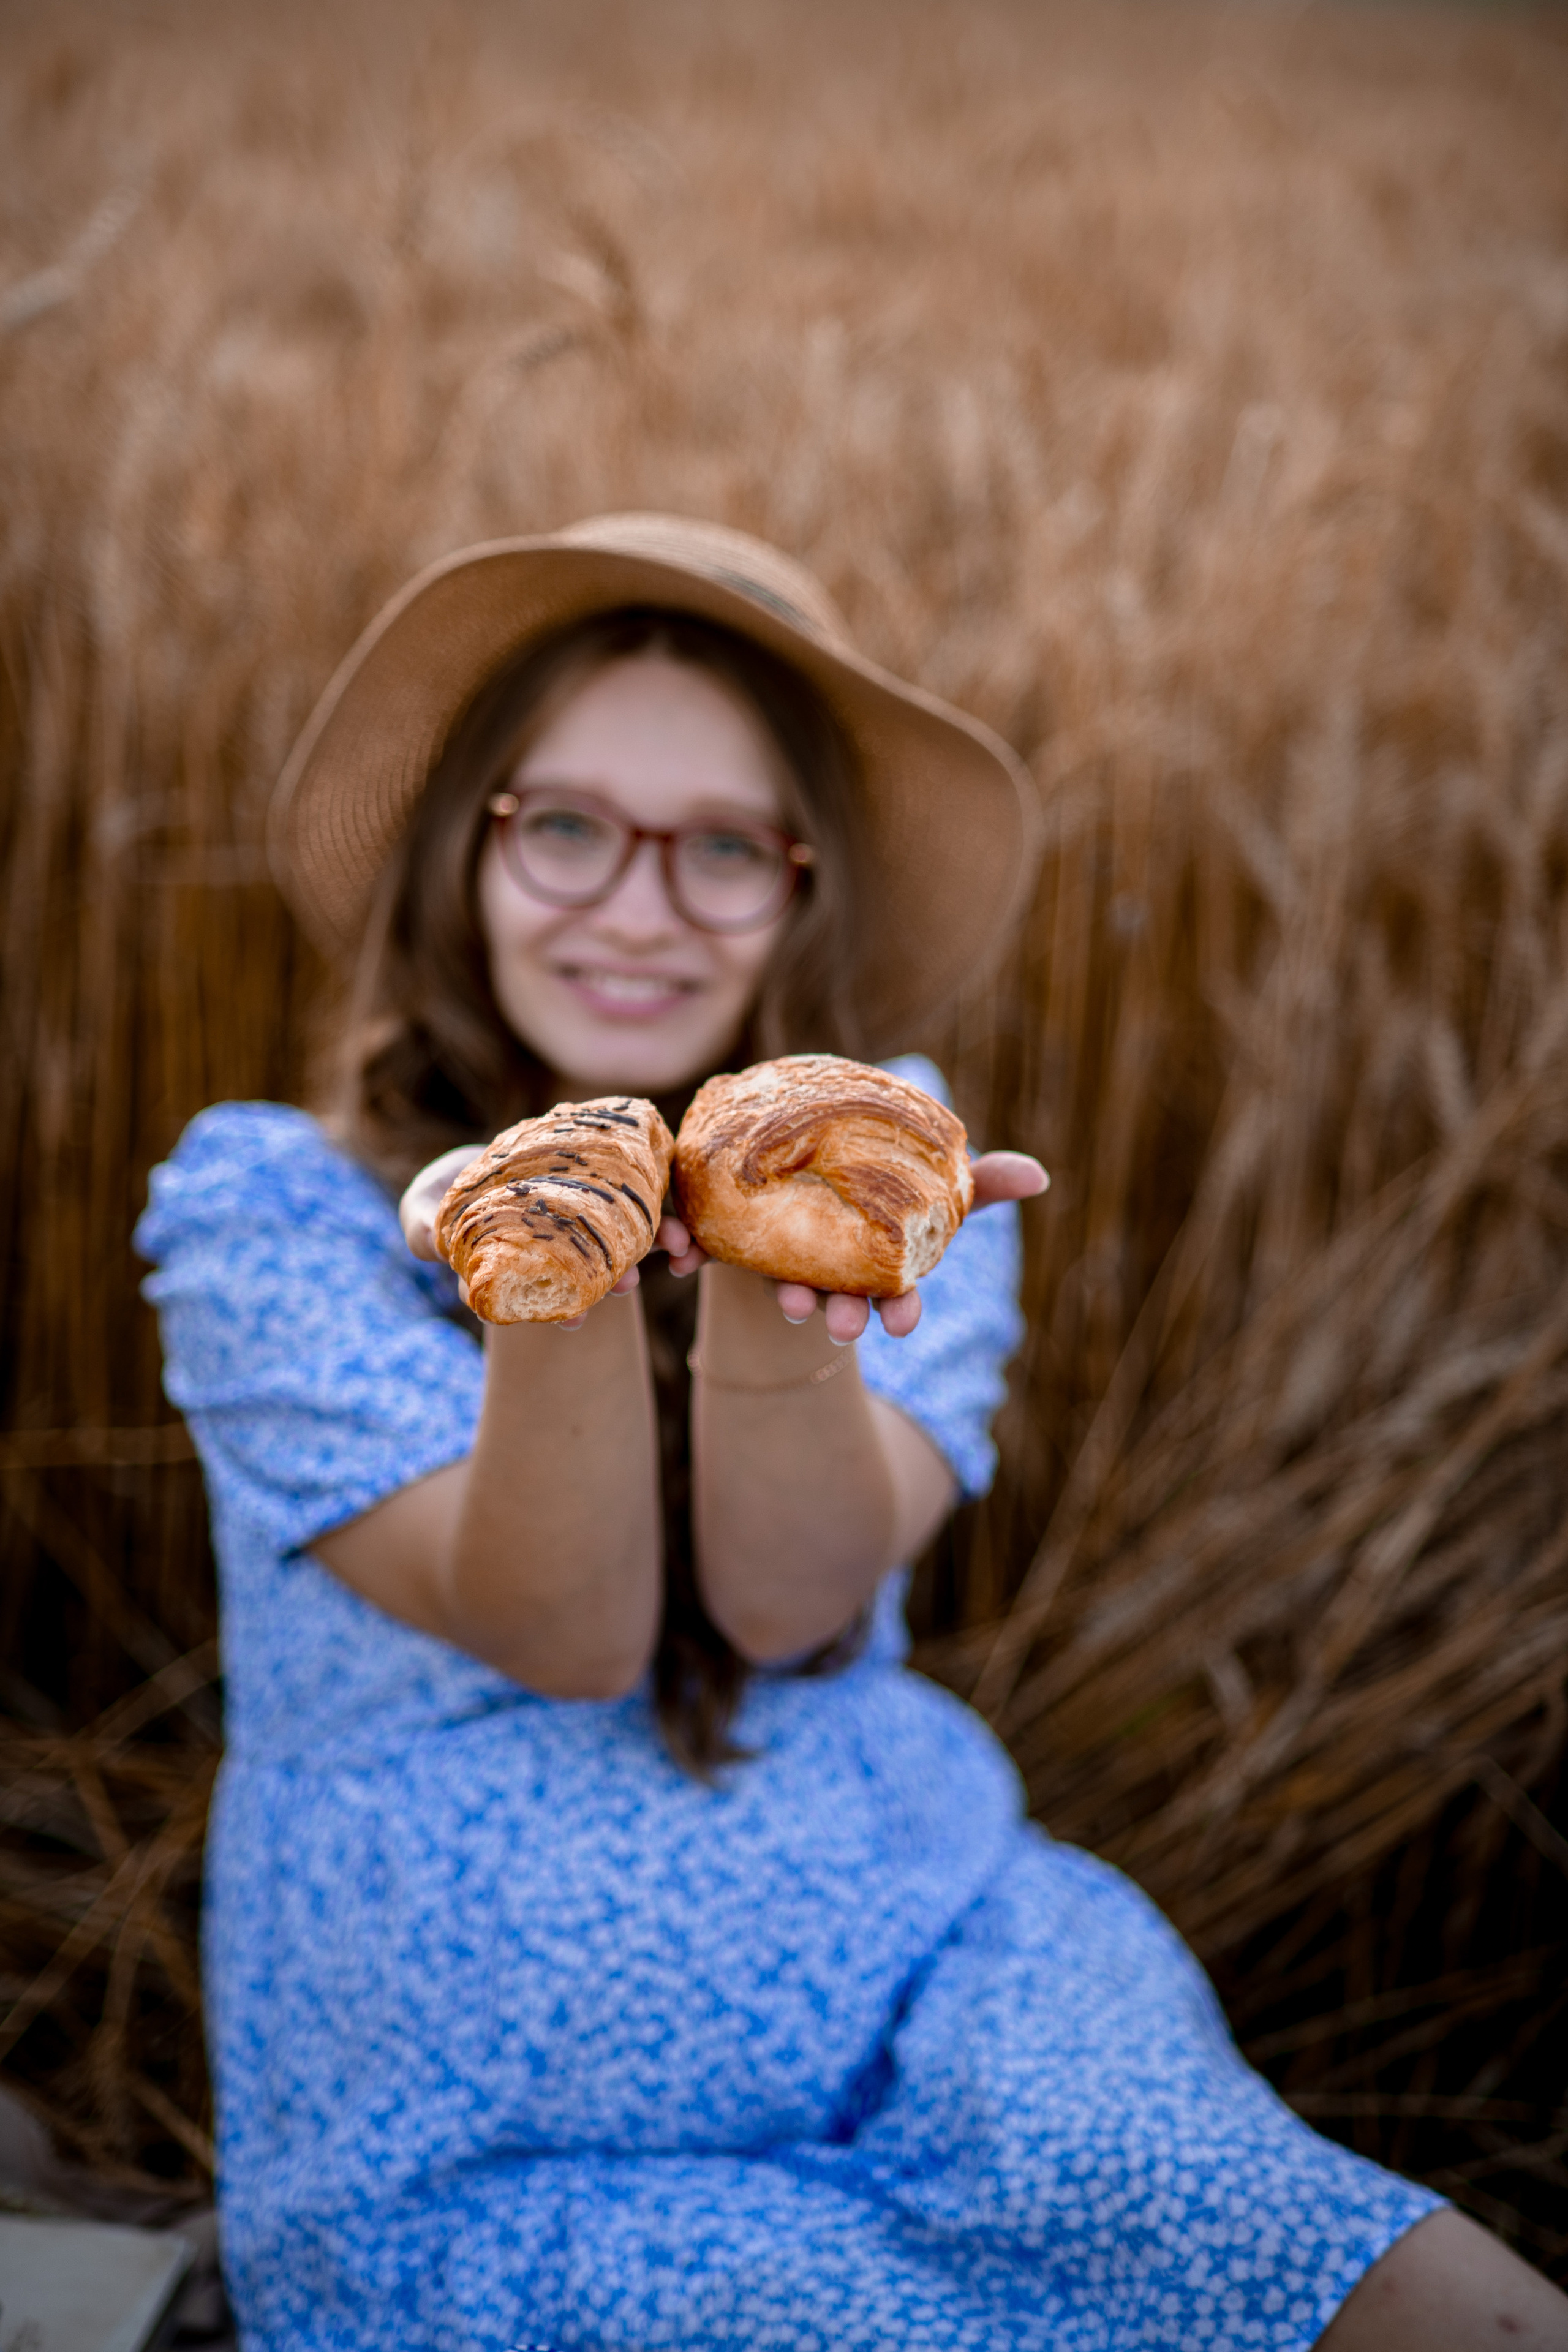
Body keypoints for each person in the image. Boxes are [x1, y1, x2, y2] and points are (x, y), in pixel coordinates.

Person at [136, 514, 1568, 2351]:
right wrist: (558, 1258)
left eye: (725, 846)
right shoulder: (272, 1207)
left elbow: (790, 1603)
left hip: (936, 2001)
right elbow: (567, 1634)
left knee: (1453, 2317)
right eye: (564, 824)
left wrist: (763, 1281)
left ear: (804, 888)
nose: (640, 905)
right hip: (494, 2161)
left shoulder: (900, 1163)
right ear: (460, 853)